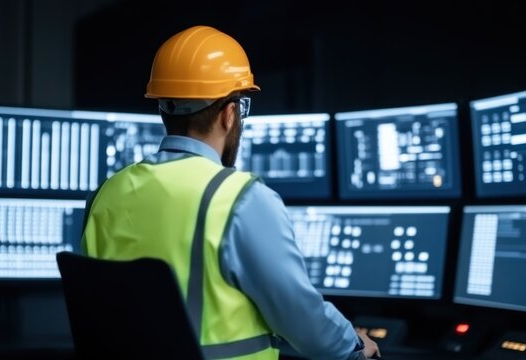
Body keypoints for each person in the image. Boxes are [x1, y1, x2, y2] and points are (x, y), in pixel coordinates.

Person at [81, 25, 380, 360]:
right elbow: (304, 323)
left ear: (163, 108)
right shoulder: (239, 199)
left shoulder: (104, 195)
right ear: (230, 114)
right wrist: (353, 343)